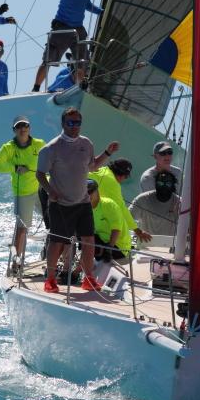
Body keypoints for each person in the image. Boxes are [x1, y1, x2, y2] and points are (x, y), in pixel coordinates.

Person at [36, 107, 120, 292]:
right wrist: (50, 191)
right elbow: (40, 174)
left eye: (78, 123)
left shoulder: (86, 143)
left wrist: (107, 152)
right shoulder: (51, 148)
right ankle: (50, 280)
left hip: (83, 202)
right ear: (63, 124)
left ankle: (88, 279)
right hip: (61, 204)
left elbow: (92, 166)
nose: (75, 126)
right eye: (71, 123)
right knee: (58, 241)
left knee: (88, 240)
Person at [32, 0, 110, 92]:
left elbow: (87, 5)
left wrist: (103, 12)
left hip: (77, 29)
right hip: (62, 27)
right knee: (48, 60)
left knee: (82, 62)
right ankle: (36, 88)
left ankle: (80, 90)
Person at [0, 116, 45, 257]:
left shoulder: (39, 144)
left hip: (41, 189)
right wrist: (15, 168)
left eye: (25, 125)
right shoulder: (8, 147)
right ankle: (16, 260)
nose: (22, 129)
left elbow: (52, 159)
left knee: (54, 219)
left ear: (29, 128)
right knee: (22, 228)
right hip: (23, 193)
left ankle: (49, 250)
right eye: (19, 126)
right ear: (14, 130)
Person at [89, 159, 153, 244]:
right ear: (121, 175)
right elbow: (122, 209)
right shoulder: (112, 182)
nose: (124, 179)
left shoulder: (102, 169)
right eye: (126, 177)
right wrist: (137, 231)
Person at [87, 179, 130, 262]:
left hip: (118, 246)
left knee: (91, 248)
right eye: (85, 193)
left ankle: (81, 269)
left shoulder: (108, 204)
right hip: (103, 240)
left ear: (97, 190)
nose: (88, 195)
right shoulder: (86, 207)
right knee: (84, 240)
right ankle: (80, 266)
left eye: (90, 192)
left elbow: (116, 229)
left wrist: (109, 249)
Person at [129, 170, 181, 236]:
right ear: (155, 184)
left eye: (168, 184)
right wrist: (137, 231)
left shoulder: (180, 202)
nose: (164, 186)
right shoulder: (142, 199)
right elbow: (127, 218)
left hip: (171, 242)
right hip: (146, 241)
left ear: (173, 185)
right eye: (160, 183)